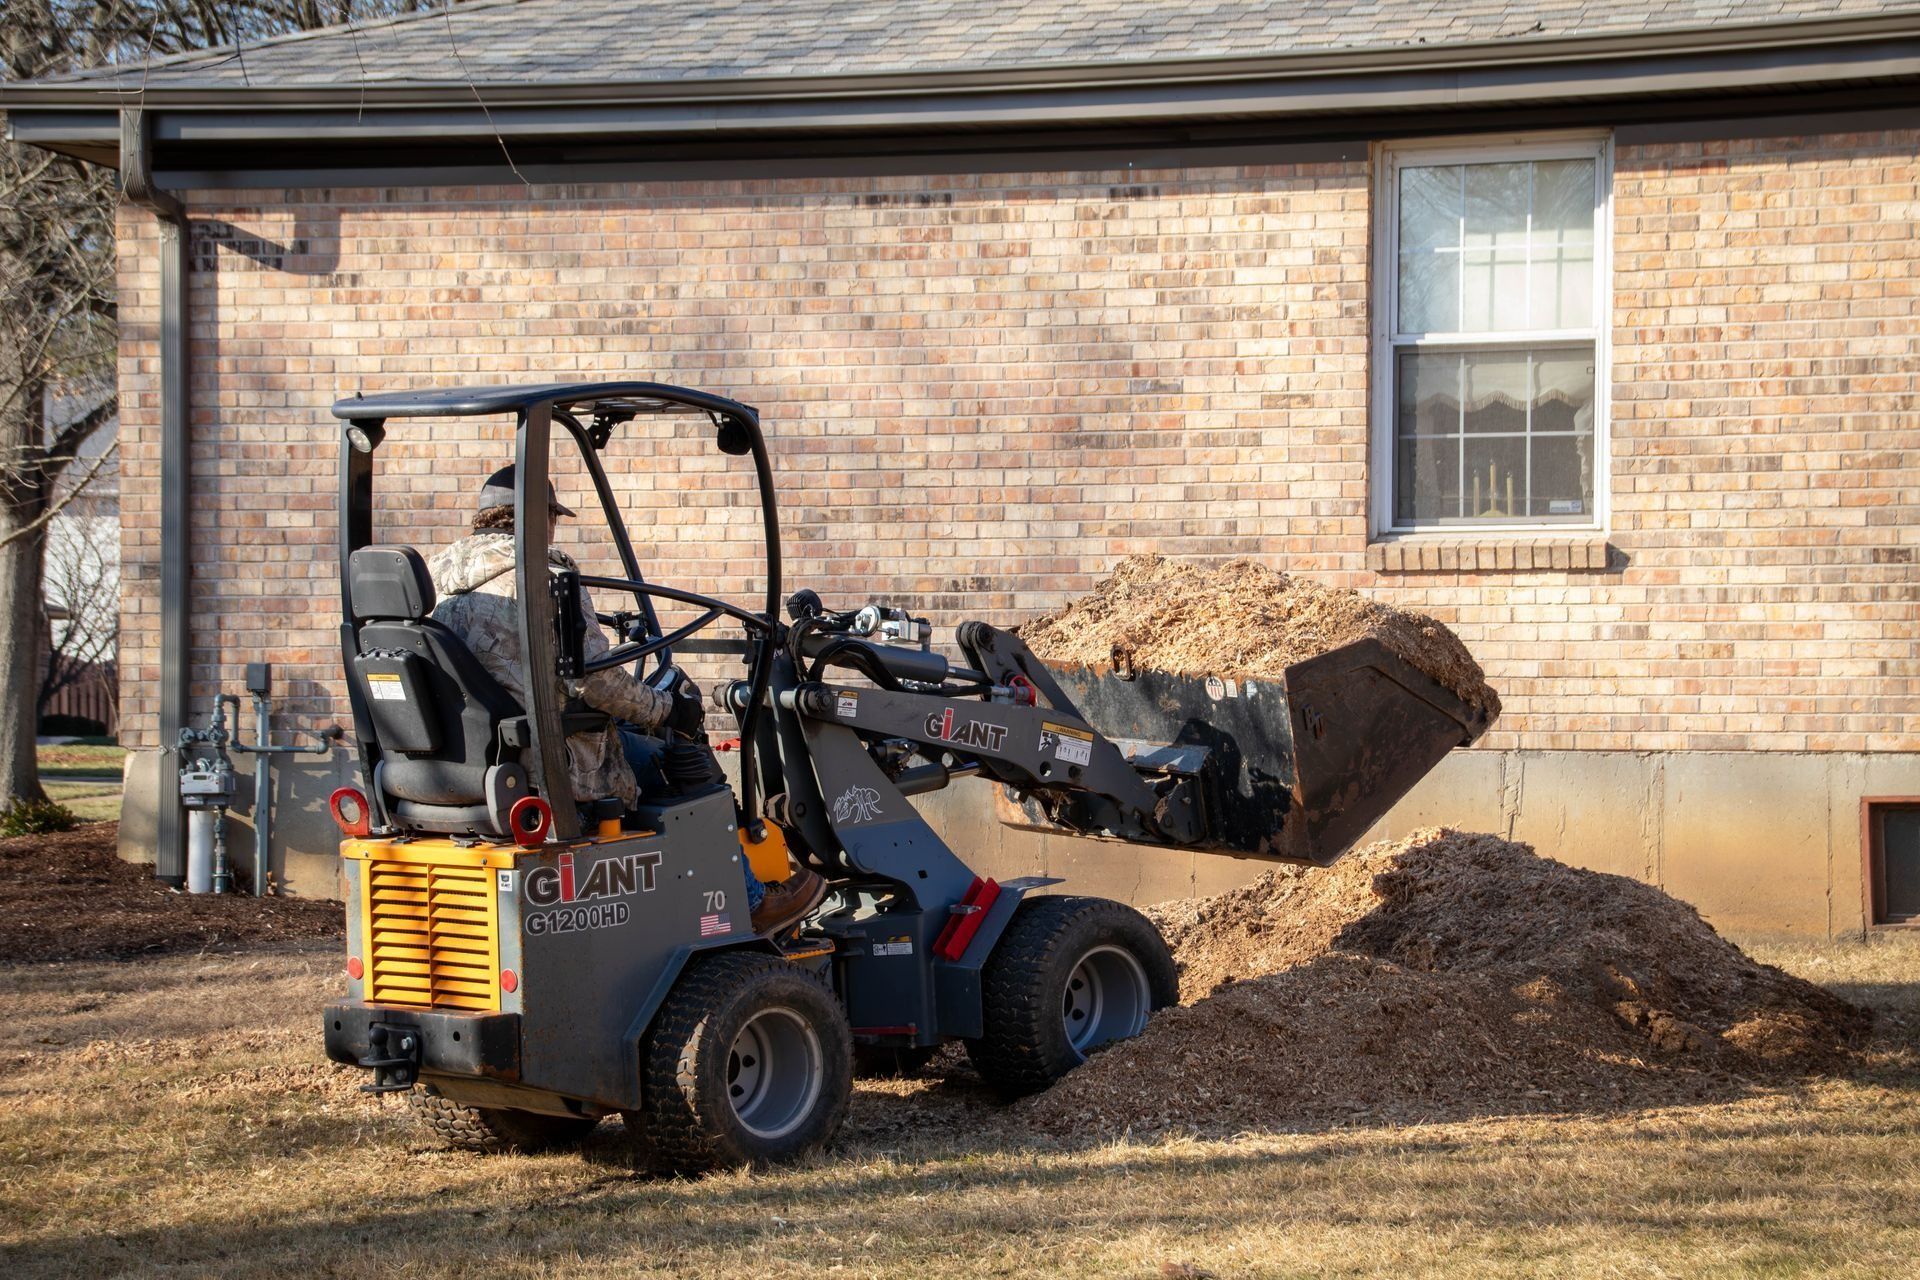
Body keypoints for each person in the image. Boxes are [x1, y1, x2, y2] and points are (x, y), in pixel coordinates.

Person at [427, 465, 826, 934]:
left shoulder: (432, 582)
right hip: (549, 761)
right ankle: (751, 901)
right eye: (552, 518)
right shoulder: (541, 581)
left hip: (467, 763)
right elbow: (596, 683)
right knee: (678, 762)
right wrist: (667, 708)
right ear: (539, 519)